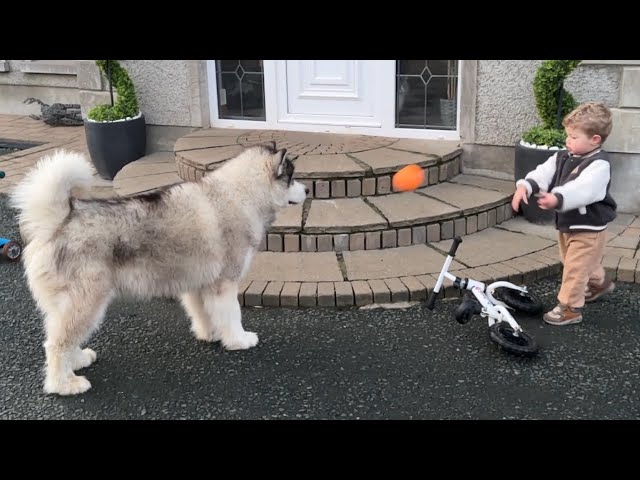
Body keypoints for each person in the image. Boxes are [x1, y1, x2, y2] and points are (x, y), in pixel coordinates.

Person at [512, 102, 617, 326]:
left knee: (574, 269)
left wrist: (557, 198)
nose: (568, 141)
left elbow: (584, 189)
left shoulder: (599, 165)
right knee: (573, 262)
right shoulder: (563, 156)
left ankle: (570, 308)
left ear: (595, 139)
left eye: (574, 137)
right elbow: (544, 172)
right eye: (567, 136)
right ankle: (599, 282)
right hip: (567, 223)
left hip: (589, 227)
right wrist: (526, 186)